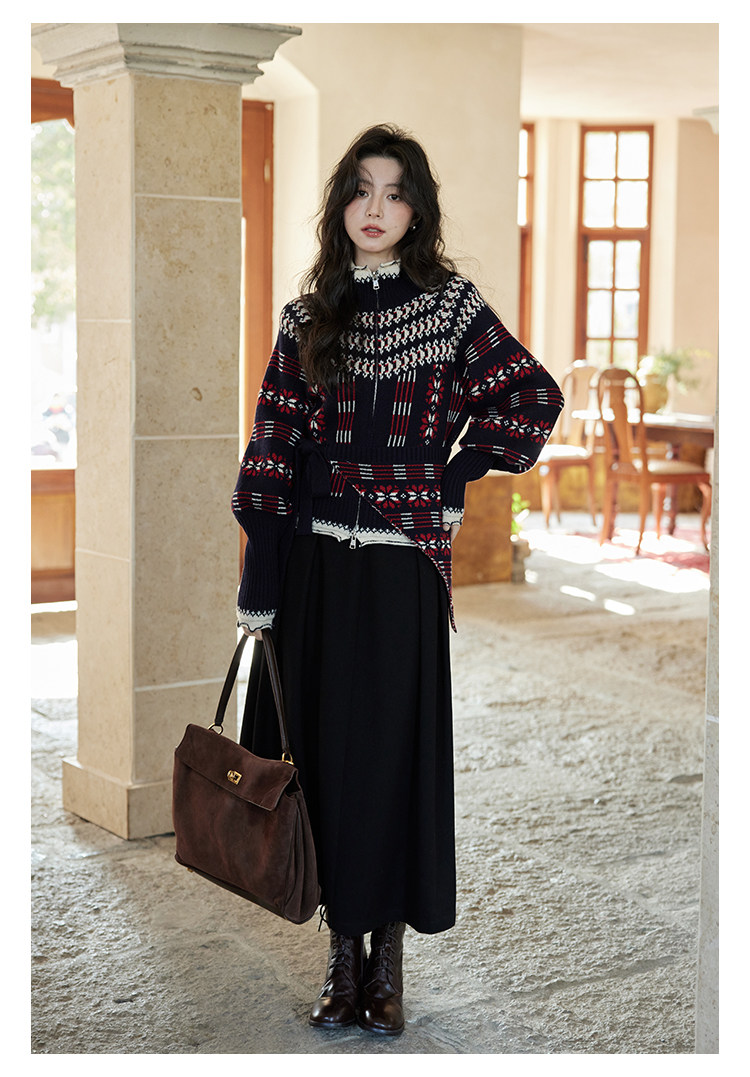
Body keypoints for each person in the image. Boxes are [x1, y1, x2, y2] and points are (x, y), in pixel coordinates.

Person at [232, 123, 563, 1036]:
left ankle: (387, 957)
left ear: (417, 211)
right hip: (314, 568)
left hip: (401, 569)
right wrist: (262, 580)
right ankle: (341, 955)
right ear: (341, 204)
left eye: (395, 192)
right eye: (361, 190)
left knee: (388, 758)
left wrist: (456, 474)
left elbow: (532, 395)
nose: (375, 208)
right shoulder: (308, 318)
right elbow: (272, 449)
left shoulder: (452, 308)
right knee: (322, 761)